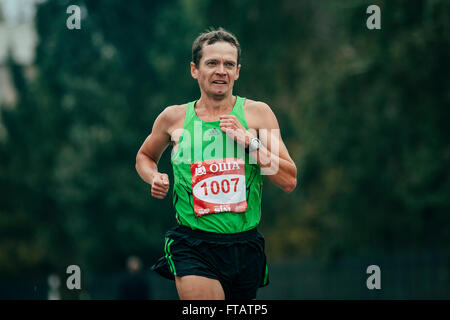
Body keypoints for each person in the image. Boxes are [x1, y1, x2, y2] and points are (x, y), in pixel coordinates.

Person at [135, 27, 297, 300]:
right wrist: (153, 176)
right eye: (212, 63)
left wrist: (250, 144)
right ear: (194, 70)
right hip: (192, 244)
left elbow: (288, 180)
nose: (221, 70)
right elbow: (145, 157)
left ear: (237, 72)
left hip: (244, 246)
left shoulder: (258, 114)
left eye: (228, 64)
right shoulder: (173, 118)